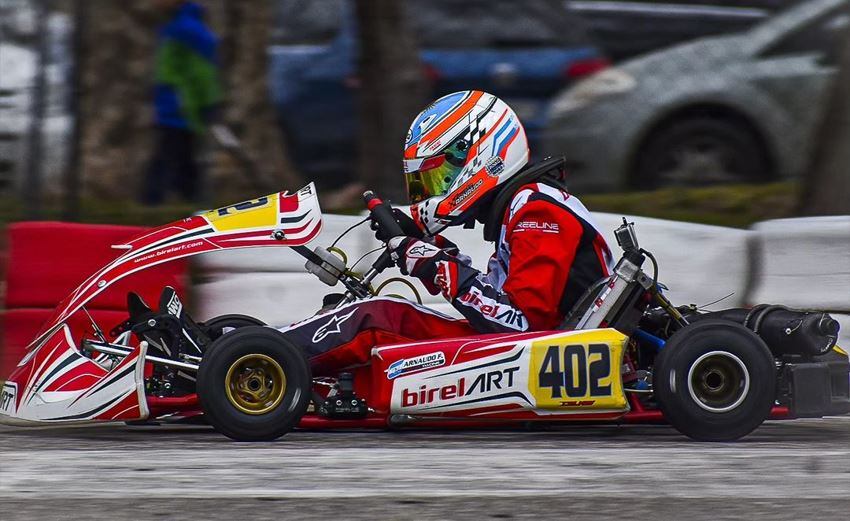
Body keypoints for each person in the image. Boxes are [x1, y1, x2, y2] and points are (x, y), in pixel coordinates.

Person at [277, 90, 614, 375]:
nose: (434, 191)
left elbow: (521, 325)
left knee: (379, 318)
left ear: (482, 157)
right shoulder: (521, 205)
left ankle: (266, 356)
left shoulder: (538, 211)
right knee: (385, 316)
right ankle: (264, 347)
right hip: (534, 349)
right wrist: (431, 249)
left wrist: (434, 264)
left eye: (440, 178)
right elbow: (496, 298)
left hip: (545, 358)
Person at [143, 0, 221, 205]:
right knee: (181, 164)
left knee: (170, 165)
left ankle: (151, 211)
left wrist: (206, 104)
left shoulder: (185, 30)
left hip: (180, 110)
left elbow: (201, 73)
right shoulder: (178, 26)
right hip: (177, 109)